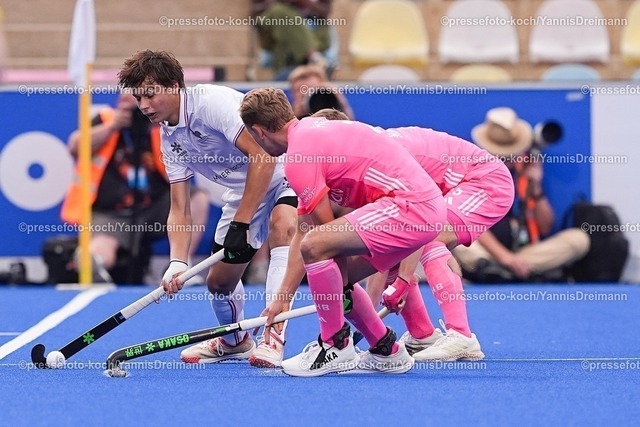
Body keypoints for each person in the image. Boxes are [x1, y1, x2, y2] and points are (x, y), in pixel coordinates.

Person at [239, 88, 448, 377]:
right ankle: (386, 350)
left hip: (411, 207)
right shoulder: (311, 132)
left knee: (322, 254)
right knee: (335, 273)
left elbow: (322, 242)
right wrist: (282, 298)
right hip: (423, 208)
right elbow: (304, 228)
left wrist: (334, 292)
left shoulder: (299, 156)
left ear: (259, 132)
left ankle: (334, 344)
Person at [117, 50, 298, 368]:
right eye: (138, 97)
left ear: (174, 85)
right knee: (219, 284)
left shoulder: (213, 104)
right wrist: (177, 261)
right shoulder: (168, 139)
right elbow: (180, 207)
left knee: (283, 227)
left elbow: (263, 157)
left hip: (287, 173)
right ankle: (235, 342)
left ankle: (273, 338)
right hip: (243, 193)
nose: (143, 105)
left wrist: (241, 224)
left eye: (150, 94)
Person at [312, 108, 513, 361]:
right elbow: (383, 250)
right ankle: (422, 335)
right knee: (391, 246)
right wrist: (370, 323)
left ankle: (462, 336)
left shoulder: (380, 157)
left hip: (484, 181)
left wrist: (403, 281)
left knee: (431, 238)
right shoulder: (363, 159)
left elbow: (421, 226)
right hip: (451, 192)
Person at [62, 93, 210, 284]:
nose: (130, 100)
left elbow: (186, 165)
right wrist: (113, 126)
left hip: (154, 208)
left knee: (196, 198)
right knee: (99, 253)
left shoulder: (162, 125)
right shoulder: (105, 119)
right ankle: (91, 264)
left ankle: (180, 267)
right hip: (112, 213)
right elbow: (75, 146)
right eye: (126, 97)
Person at [452, 107, 590, 282]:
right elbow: (467, 224)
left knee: (578, 240)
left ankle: (501, 273)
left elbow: (545, 226)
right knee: (457, 239)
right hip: (484, 251)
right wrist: (505, 257)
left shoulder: (524, 173)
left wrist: (536, 186)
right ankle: (496, 269)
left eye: (509, 154)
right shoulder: (473, 172)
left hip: (522, 253)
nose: (506, 159)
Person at [251, 0, 336, 80]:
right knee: (281, 12)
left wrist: (308, 5)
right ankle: (316, 58)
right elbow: (259, 11)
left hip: (312, 33)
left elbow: (324, 10)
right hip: (274, 25)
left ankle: (314, 61)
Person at [288, 65, 354, 120]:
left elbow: (350, 125)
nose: (306, 94)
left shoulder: (332, 109)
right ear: (292, 93)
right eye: (300, 90)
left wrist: (338, 100)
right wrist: (294, 118)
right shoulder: (292, 118)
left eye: (311, 89)